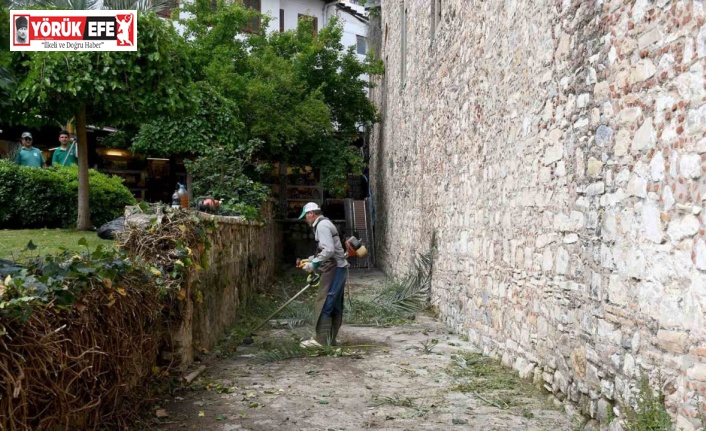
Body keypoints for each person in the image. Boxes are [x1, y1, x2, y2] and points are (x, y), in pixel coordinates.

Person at [298, 202, 349, 346]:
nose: (306, 219)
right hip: (338, 267)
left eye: (306, 216)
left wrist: (314, 264)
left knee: (326, 302)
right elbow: (326, 250)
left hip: (335, 269)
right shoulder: (325, 224)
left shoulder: (321, 226)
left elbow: (329, 250)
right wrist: (311, 259)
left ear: (311, 214)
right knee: (335, 304)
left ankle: (320, 340)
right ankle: (330, 338)